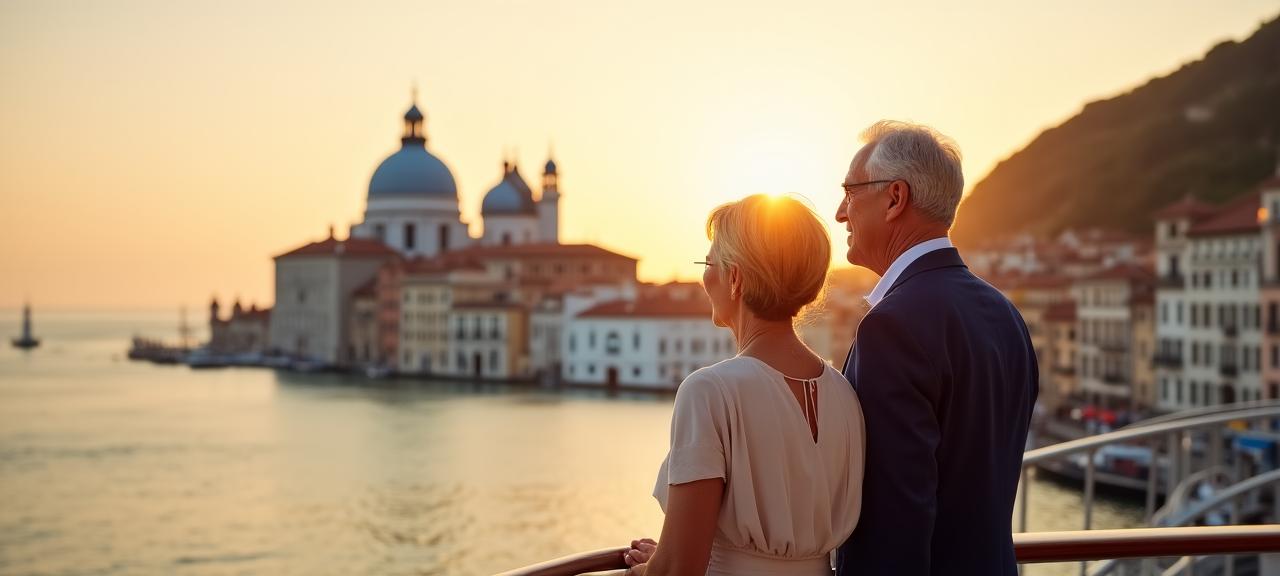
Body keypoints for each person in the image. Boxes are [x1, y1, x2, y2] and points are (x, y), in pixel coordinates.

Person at [833, 121, 1038, 576]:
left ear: (894, 198)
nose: (840, 213)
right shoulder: (1006, 316)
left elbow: (894, 520)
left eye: (850, 192)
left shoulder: (892, 325)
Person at [623, 194, 865, 576]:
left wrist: (643, 570)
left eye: (709, 264)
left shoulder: (709, 392)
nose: (704, 278)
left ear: (735, 278)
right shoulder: (845, 394)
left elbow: (679, 569)